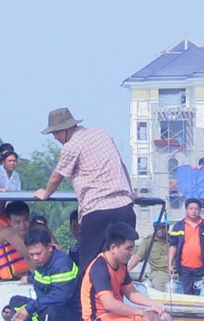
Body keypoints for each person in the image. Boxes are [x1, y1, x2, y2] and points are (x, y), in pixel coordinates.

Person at [35, 108, 135, 275]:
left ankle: (88, 301)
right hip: (124, 207)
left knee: (89, 268)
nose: (56, 138)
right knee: (118, 267)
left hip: (97, 211)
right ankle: (113, 300)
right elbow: (120, 164)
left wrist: (46, 193)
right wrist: (131, 192)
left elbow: (56, 177)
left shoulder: (71, 146)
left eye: (56, 134)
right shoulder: (101, 134)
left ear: (65, 130)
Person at [9, 227, 82, 321]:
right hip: (44, 304)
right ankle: (23, 319)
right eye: (31, 254)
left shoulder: (62, 264)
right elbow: (41, 279)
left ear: (49, 247)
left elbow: (60, 297)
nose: (35, 258)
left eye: (38, 253)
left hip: (68, 310)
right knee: (14, 300)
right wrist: (29, 278)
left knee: (51, 313)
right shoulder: (42, 262)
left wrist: (30, 308)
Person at [167, 198, 204, 295]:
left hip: (201, 267)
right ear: (186, 210)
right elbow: (173, 246)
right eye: (191, 208)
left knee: (200, 294)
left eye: (196, 209)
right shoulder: (179, 226)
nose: (193, 211)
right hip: (184, 268)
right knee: (186, 294)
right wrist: (170, 264)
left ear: (200, 210)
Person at [129, 221, 171, 290]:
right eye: (158, 228)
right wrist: (128, 270)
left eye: (163, 228)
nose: (161, 230)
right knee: (160, 286)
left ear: (167, 228)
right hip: (159, 271)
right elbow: (138, 257)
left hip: (176, 272)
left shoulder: (173, 239)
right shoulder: (148, 241)